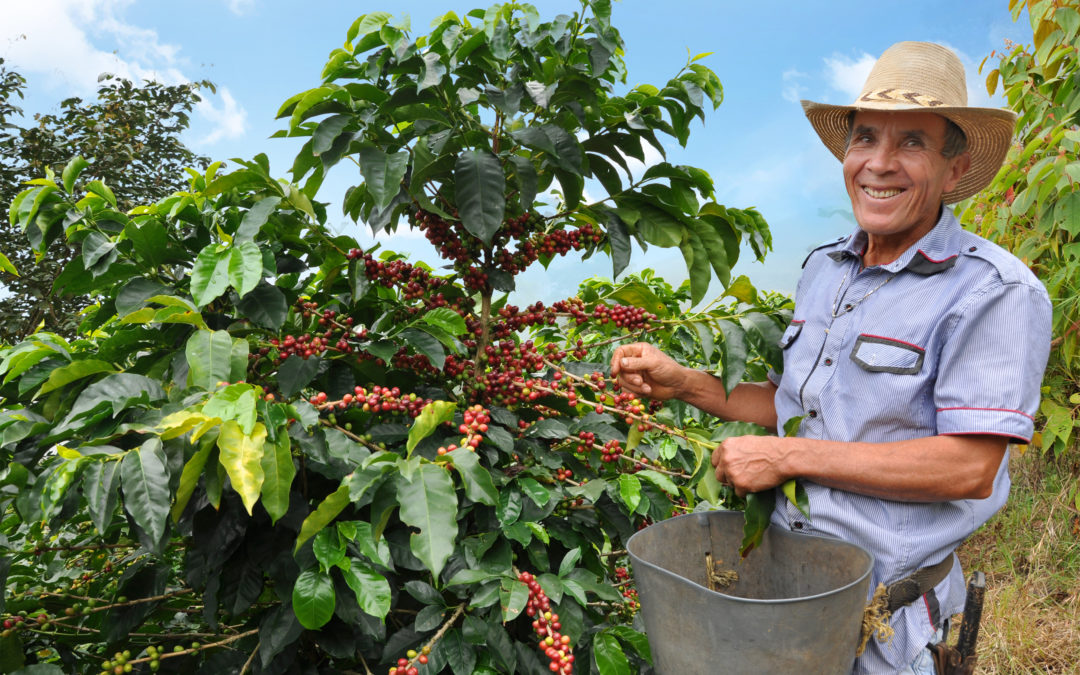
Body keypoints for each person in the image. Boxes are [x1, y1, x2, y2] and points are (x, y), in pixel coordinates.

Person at [611, 41, 1052, 673]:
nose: (879, 163)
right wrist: (684, 384)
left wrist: (785, 457)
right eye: (865, 138)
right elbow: (798, 408)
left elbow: (969, 468)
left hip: (884, 617)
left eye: (913, 144)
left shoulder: (993, 291)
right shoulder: (825, 269)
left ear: (955, 172)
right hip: (792, 589)